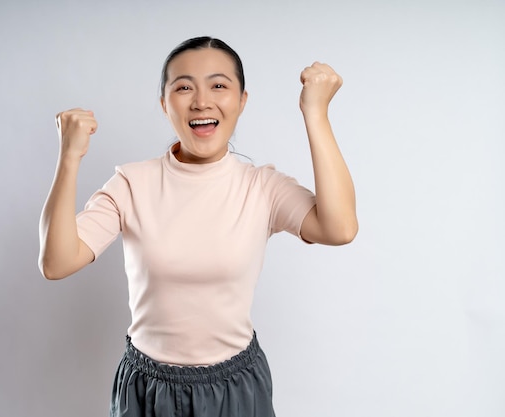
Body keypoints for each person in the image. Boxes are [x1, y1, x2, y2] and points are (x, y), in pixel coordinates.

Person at [39, 36, 357, 417]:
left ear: (242, 101)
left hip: (236, 386)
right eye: (184, 87)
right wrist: (69, 158)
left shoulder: (262, 187)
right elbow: (56, 263)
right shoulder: (131, 183)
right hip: (148, 390)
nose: (202, 101)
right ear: (164, 104)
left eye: (219, 85)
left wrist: (316, 115)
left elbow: (339, 228)